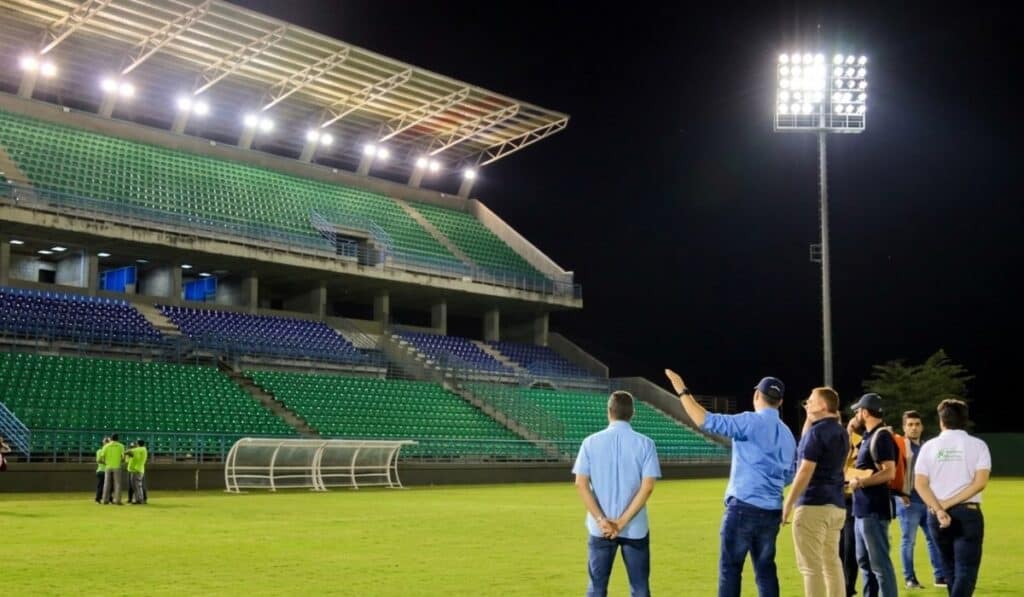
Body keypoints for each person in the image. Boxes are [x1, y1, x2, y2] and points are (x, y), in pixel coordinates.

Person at [666, 370, 796, 597]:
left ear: (757, 396)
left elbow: (704, 420)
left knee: (731, 569)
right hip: (772, 510)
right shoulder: (787, 434)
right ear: (780, 401)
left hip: (744, 507)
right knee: (765, 571)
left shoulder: (749, 421)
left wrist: (682, 390)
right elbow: (790, 474)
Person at [573, 390, 661, 597]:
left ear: (609, 412)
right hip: (635, 528)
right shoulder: (646, 444)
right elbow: (647, 486)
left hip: (600, 528)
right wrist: (621, 523)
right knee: (639, 587)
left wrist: (602, 519)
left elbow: (581, 484)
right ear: (633, 413)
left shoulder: (590, 442)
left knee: (596, 587)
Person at [915, 399, 991, 596]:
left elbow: (920, 484)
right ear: (965, 420)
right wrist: (947, 504)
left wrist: (940, 509)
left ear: (941, 421)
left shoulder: (929, 446)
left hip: (936, 514)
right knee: (966, 570)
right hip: (968, 513)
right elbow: (979, 483)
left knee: (949, 570)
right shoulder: (978, 445)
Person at [782, 387, 849, 597]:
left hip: (813, 504)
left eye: (810, 401)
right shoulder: (840, 432)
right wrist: (810, 418)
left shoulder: (817, 433)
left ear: (822, 406)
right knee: (832, 563)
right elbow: (806, 443)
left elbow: (805, 469)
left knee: (811, 567)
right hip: (836, 505)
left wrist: (788, 504)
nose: (807, 404)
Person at [847, 393, 898, 597]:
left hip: (874, 510)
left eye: (858, 410)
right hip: (862, 509)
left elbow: (889, 471)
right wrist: (851, 429)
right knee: (865, 564)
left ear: (865, 412)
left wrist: (861, 482)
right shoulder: (868, 436)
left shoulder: (881, 435)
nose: (856, 414)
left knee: (880, 565)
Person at [895, 411, 946, 589]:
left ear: (922, 426)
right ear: (904, 427)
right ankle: (910, 578)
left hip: (927, 501)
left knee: (933, 538)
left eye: (917, 424)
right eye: (910, 424)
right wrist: (900, 494)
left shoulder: (927, 447)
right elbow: (894, 473)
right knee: (908, 541)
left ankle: (940, 576)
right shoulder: (900, 446)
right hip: (908, 502)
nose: (914, 427)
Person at [99, 433, 126, 505]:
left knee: (106, 483)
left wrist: (106, 463)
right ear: (118, 439)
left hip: (108, 467)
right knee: (117, 484)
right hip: (117, 466)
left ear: (111, 438)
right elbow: (123, 458)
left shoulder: (106, 446)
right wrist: (120, 462)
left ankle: (105, 500)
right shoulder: (121, 446)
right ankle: (118, 500)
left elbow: (101, 458)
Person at [125, 439, 148, 505]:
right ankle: (138, 499)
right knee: (137, 486)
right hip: (138, 469)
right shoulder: (142, 450)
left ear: (138, 444)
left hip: (136, 470)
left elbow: (128, 451)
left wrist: (125, 452)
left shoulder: (140, 449)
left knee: (137, 486)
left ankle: (139, 500)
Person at [95, 437, 110, 504]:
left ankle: (101, 499)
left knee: (104, 486)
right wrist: (107, 462)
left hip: (104, 470)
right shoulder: (100, 451)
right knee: (102, 486)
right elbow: (99, 460)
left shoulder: (100, 451)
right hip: (102, 470)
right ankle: (99, 499)